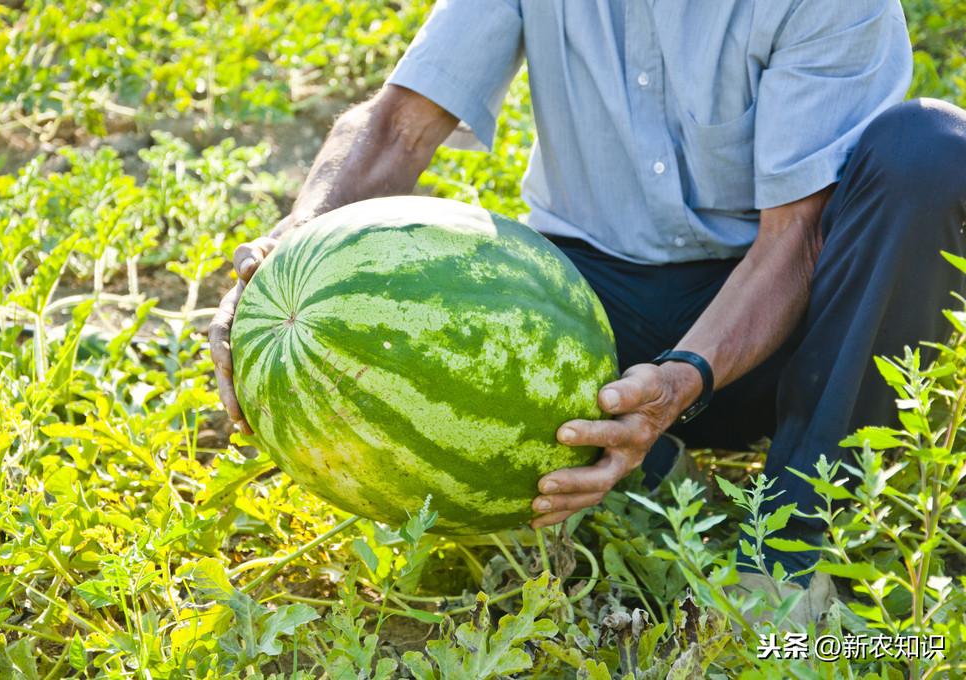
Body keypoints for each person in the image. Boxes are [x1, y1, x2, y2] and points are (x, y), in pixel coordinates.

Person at [209, 0, 966, 615]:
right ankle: (652, 473)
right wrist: (281, 256)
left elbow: (793, 244)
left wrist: (680, 380)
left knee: (928, 150)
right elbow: (395, 127)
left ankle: (794, 555)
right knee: (485, 323)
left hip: (789, 326)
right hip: (605, 313)